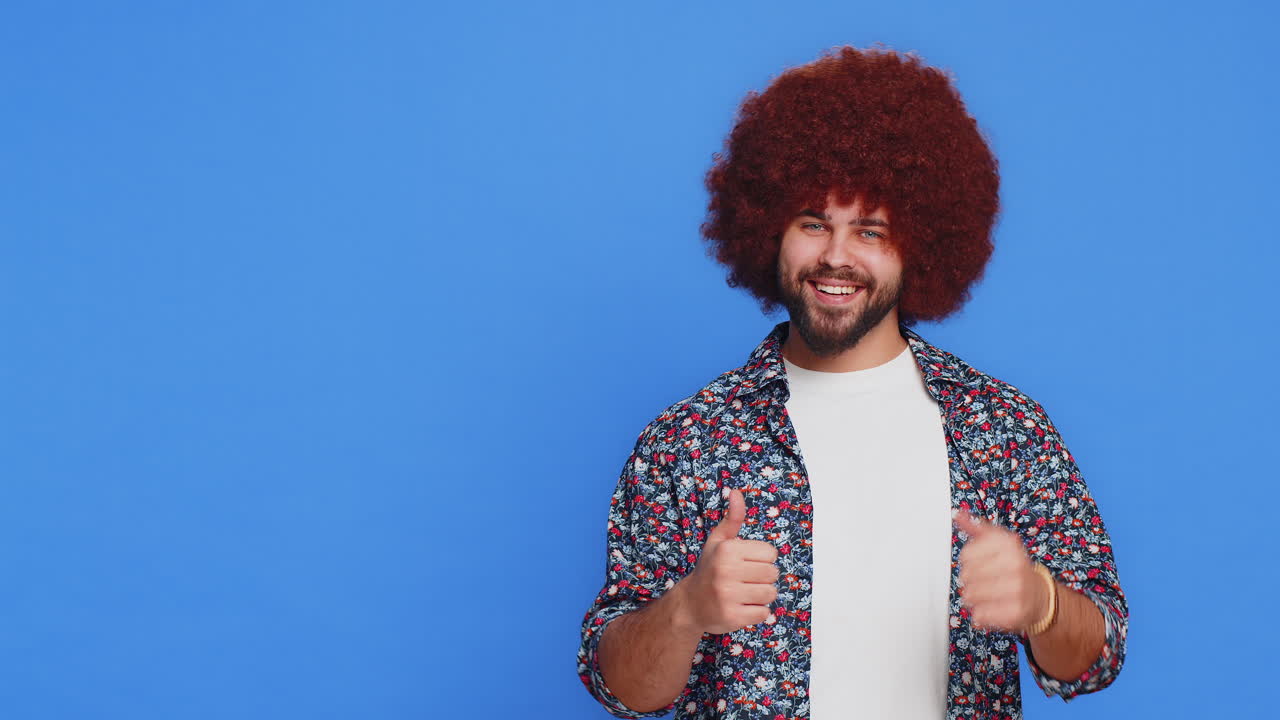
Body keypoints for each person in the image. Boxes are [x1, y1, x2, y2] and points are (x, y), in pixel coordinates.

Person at [576, 46, 1127, 720]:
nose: (836, 256)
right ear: (768, 229)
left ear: (919, 244)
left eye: (870, 230)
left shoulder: (1003, 431)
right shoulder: (689, 441)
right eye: (813, 223)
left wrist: (1041, 603)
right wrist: (687, 608)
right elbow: (621, 687)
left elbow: (1096, 658)